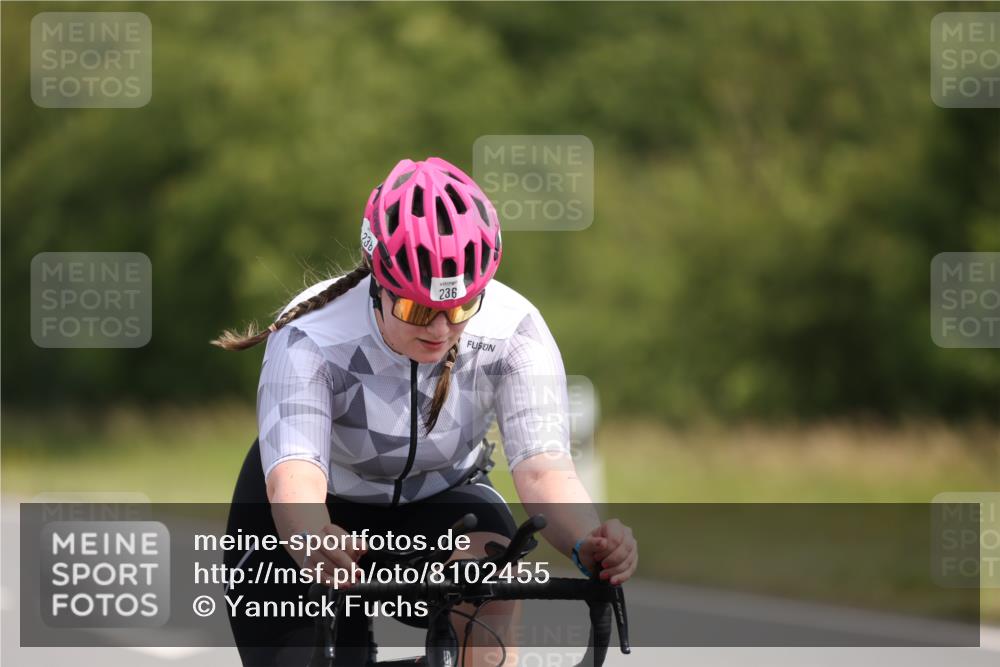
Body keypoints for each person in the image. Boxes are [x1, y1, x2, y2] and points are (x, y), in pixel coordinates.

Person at [213, 156, 638, 666]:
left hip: (442, 500)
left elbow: (545, 469)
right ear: (378, 283)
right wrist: (311, 537)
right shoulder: (311, 335)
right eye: (417, 309)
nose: (440, 330)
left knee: (493, 573)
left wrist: (587, 541)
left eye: (461, 308)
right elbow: (296, 479)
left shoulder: (515, 330)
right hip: (318, 508)